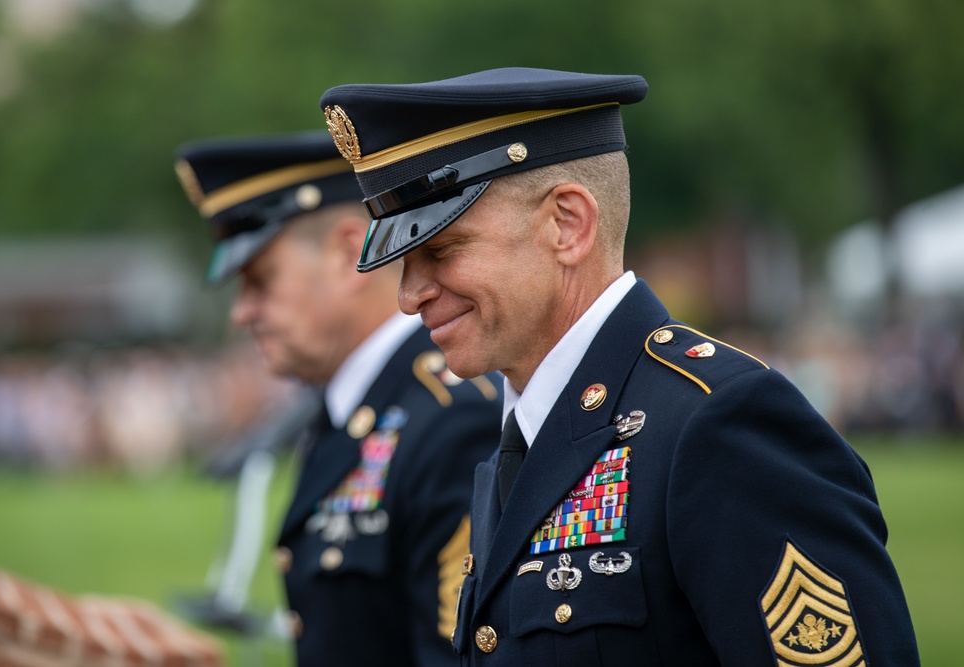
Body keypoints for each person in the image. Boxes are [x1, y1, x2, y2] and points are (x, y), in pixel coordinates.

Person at [318, 68, 921, 665]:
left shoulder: (719, 427)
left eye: (443, 250)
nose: (409, 295)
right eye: (403, 263)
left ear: (568, 225)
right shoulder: (521, 440)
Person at [174, 131, 502, 667]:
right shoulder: (349, 411)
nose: (242, 312)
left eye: (260, 280)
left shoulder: (451, 419)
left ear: (350, 252)